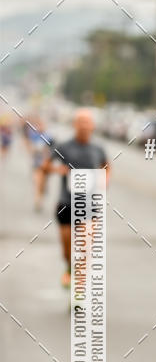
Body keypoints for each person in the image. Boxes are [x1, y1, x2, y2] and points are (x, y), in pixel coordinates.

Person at [42, 109, 110, 287]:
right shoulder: (64, 147)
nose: (84, 126)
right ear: (74, 125)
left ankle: (78, 288)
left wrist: (104, 182)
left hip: (89, 205)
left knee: (85, 247)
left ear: (93, 126)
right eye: (80, 122)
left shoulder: (98, 148)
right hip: (66, 204)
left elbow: (107, 166)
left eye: (87, 122)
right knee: (67, 250)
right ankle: (69, 268)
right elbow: (45, 166)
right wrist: (59, 170)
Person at [26, 116, 53, 211]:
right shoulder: (34, 134)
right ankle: (37, 200)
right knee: (37, 181)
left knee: (43, 183)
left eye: (42, 125)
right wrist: (33, 150)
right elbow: (30, 146)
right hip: (37, 162)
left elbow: (53, 150)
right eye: (39, 125)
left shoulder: (49, 136)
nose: (40, 127)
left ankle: (40, 196)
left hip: (46, 163)